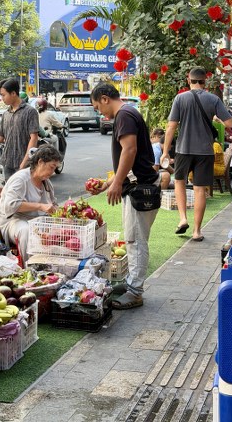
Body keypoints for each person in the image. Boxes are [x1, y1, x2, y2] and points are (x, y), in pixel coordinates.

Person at [89, 83, 159, 310]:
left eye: (97, 106)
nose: (99, 112)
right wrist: (108, 183)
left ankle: (135, 292)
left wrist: (117, 182)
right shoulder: (128, 113)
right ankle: (131, 284)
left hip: (141, 188)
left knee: (135, 241)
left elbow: (130, 150)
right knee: (133, 238)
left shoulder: (124, 115)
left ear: (105, 98)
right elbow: (127, 161)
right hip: (139, 185)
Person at [162, 67, 232, 241]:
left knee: (179, 182)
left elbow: (171, 127)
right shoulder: (213, 99)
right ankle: (197, 231)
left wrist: (165, 151)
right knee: (200, 189)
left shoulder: (180, 98)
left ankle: (183, 219)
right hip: (205, 151)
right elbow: (230, 123)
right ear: (205, 82)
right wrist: (216, 118)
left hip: (183, 149)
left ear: (189, 80)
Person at [0, 145, 61, 265]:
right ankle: (30, 267)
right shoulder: (21, 179)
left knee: (60, 231)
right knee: (26, 230)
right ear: (40, 162)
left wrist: (60, 212)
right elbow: (10, 206)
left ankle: (52, 265)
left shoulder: (46, 183)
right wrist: (40, 206)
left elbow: (53, 204)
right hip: (14, 221)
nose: (52, 172)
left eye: (55, 169)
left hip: (37, 222)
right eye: (51, 167)